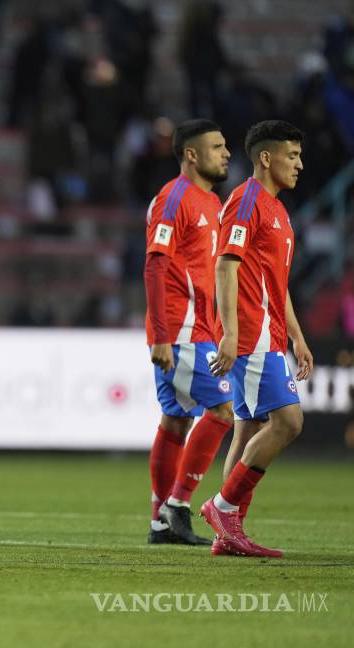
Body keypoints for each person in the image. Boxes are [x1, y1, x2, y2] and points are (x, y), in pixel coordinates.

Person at [203, 120, 313, 558]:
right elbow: (225, 265)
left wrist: (297, 338)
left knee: (247, 428)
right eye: (292, 155)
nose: (300, 164)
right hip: (249, 333)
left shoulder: (278, 209)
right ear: (266, 158)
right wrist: (230, 333)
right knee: (288, 422)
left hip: (269, 333)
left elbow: (277, 283)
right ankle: (223, 507)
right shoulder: (246, 201)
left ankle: (226, 534)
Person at [142, 119, 234, 546]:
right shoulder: (173, 198)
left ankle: (161, 521)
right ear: (192, 154)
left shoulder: (213, 203)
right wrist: (161, 333)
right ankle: (178, 504)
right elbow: (156, 264)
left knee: (176, 421)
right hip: (180, 330)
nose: (227, 153)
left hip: (199, 329)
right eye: (217, 146)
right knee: (222, 410)